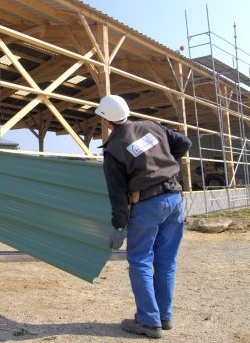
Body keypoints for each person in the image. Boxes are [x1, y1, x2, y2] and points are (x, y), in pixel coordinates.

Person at [96, 94, 191, 339]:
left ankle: (149, 322)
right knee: (166, 261)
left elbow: (117, 195)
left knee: (140, 261)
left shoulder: (114, 149)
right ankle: (164, 317)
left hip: (148, 204)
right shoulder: (152, 127)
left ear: (107, 123)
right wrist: (165, 168)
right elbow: (184, 143)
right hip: (174, 199)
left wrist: (118, 228)